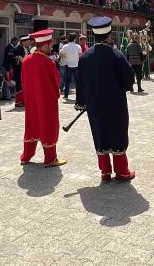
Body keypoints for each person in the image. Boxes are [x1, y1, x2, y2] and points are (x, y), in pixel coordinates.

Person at [74, 17, 137, 181]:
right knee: (117, 133)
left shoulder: (86, 56)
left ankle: (105, 172)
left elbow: (79, 81)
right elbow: (129, 76)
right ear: (109, 35)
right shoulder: (115, 53)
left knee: (100, 133)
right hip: (115, 102)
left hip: (94, 104)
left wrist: (82, 101)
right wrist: (122, 88)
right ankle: (122, 171)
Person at [20, 29, 66, 168]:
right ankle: (50, 158)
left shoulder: (26, 60)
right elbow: (56, 81)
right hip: (46, 100)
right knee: (49, 126)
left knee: (31, 125)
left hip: (31, 99)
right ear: (45, 45)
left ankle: (26, 155)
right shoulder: (48, 63)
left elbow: (23, 82)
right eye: (50, 44)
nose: (51, 47)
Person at [60, 33, 82, 100]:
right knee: (77, 82)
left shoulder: (65, 46)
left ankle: (66, 95)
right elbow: (80, 55)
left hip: (68, 65)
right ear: (75, 39)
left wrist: (65, 57)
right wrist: (76, 58)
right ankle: (78, 96)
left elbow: (61, 53)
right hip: (76, 65)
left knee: (67, 81)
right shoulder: (78, 46)